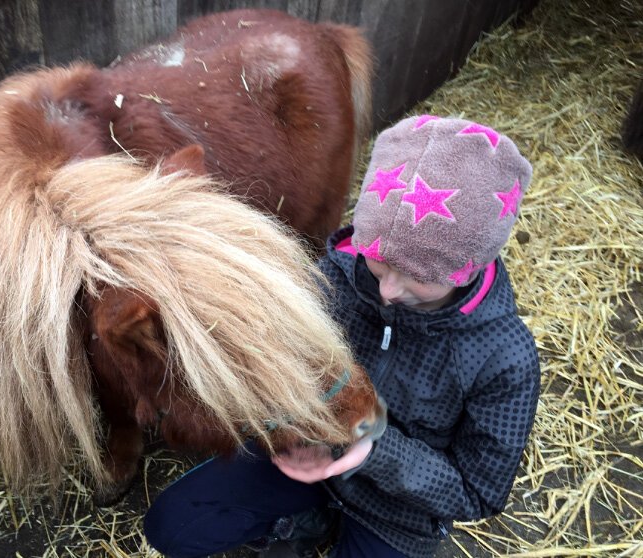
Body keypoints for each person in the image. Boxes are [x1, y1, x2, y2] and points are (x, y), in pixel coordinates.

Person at [142, 115, 541, 558]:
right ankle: (310, 516)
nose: (388, 290)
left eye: (419, 277)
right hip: (311, 453)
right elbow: (285, 358)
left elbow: (480, 494)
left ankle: (326, 523)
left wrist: (371, 451)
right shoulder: (336, 273)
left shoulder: (505, 359)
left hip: (400, 512)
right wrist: (282, 423)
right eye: (378, 261)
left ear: (469, 267)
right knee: (172, 528)